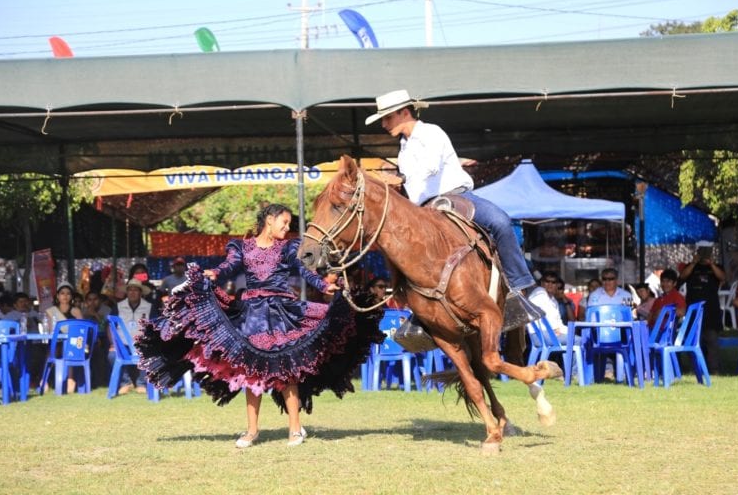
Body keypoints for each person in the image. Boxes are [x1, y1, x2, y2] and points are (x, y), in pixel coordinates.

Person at [136, 203, 383, 447]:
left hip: (283, 313)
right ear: (269, 220)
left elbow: (304, 271)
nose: (287, 228)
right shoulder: (241, 247)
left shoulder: (288, 248)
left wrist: (323, 285)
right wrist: (215, 273)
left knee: (288, 369)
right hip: (252, 315)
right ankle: (252, 431)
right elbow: (229, 266)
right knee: (251, 371)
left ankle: (295, 429)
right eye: (284, 222)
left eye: (288, 224)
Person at [365, 89, 541, 328]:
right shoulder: (404, 148)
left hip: (455, 198)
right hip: (424, 209)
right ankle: (418, 306)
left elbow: (431, 167)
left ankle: (517, 288)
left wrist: (399, 179)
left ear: (403, 112)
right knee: (397, 247)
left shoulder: (431, 132)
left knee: (500, 221)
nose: (384, 124)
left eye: (387, 118)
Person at [679, 242, 726, 374]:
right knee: (693, 339)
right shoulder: (691, 266)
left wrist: (711, 264)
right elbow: (682, 277)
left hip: (711, 309)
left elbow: (722, 277)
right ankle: (696, 368)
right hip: (693, 309)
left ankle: (714, 369)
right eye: (702, 252)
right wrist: (694, 263)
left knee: (712, 341)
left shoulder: (716, 266)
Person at [111, 278, 156, 394]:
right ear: (126, 292)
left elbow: (155, 327)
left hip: (142, 342)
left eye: (135, 290)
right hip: (122, 343)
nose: (132, 292)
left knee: (149, 352)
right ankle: (126, 382)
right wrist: (113, 343)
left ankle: (141, 383)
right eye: (130, 290)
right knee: (112, 355)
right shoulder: (118, 306)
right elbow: (110, 326)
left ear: (140, 292)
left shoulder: (149, 307)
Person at [46, 282, 85, 392]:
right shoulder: (51, 311)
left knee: (68, 348)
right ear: (58, 296)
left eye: (68, 293)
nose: (65, 296)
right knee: (53, 348)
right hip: (57, 341)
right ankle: (45, 381)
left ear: (71, 296)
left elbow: (81, 330)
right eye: (62, 293)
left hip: (74, 343)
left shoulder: (76, 311)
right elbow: (50, 330)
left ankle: (70, 379)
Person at [527, 272, 575, 345]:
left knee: (576, 338)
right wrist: (559, 329)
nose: (550, 284)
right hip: (540, 335)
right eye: (547, 281)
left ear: (557, 285)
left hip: (549, 333)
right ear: (542, 283)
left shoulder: (553, 300)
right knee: (579, 341)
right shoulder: (540, 293)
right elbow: (552, 322)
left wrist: (564, 330)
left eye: (553, 282)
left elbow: (559, 323)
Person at [82, 290, 112, 388]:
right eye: (89, 300)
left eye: (95, 299)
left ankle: (103, 380)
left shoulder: (106, 310)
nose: (92, 302)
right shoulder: (82, 311)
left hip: (103, 336)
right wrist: (87, 314)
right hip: (87, 338)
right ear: (86, 302)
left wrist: (94, 314)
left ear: (99, 300)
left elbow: (104, 325)